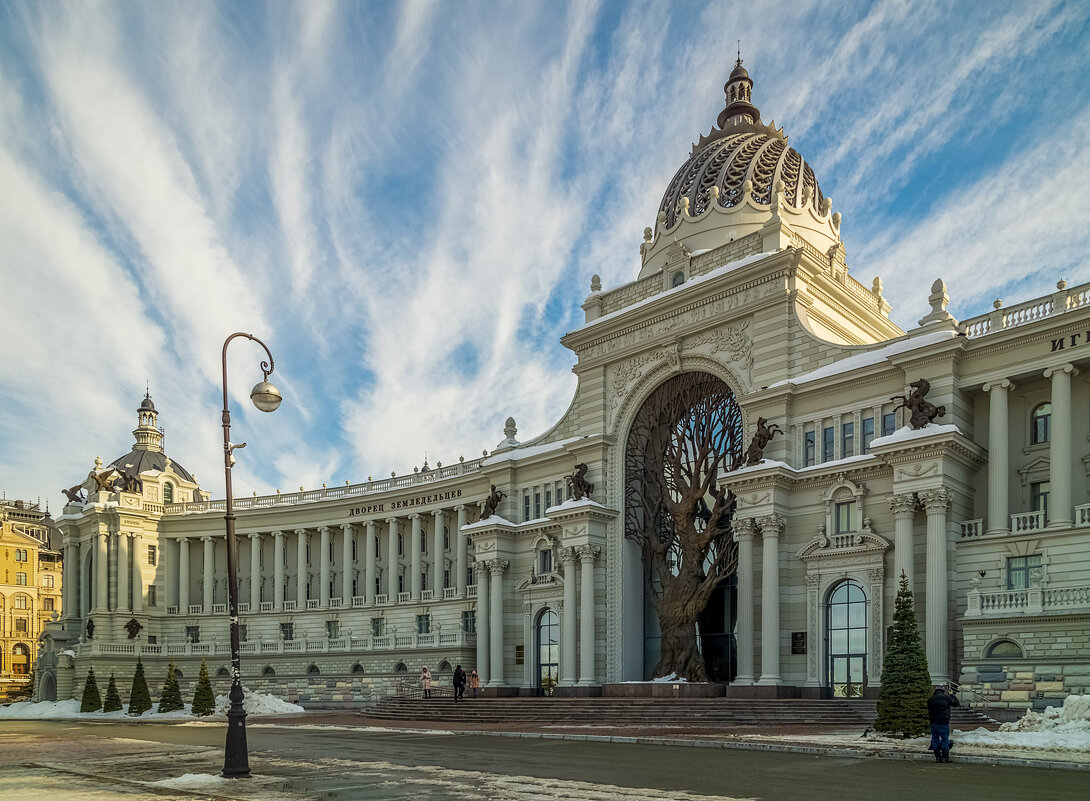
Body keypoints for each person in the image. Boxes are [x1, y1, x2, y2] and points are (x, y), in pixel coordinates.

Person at [927, 686, 960, 762]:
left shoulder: (931, 699)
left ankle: (937, 757)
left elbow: (929, 709)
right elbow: (956, 703)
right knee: (944, 740)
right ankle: (945, 758)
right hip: (944, 722)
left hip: (934, 722)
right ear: (943, 691)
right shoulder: (946, 698)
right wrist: (951, 695)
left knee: (935, 739)